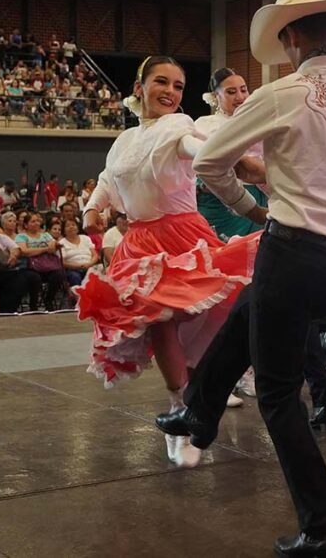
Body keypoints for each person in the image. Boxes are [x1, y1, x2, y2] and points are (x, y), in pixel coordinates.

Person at [155, 0, 326, 556]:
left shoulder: (284, 94)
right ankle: (199, 411)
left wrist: (250, 203)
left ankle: (325, 523)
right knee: (250, 305)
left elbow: (210, 161)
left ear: (290, 37)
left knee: (280, 395)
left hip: (296, 246)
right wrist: (276, 175)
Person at [76, 55, 259, 468]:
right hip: (139, 242)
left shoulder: (179, 127)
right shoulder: (124, 140)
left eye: (178, 86)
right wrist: (91, 210)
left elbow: (197, 149)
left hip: (183, 234)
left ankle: (198, 400)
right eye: (161, 82)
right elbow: (108, 179)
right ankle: (181, 407)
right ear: (139, 86)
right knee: (160, 322)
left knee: (210, 315)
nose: (171, 92)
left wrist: (230, 159)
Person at [195, 67, 269, 241]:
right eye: (231, 92)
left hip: (258, 195)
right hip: (219, 199)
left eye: (243, 90)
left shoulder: (260, 123)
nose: (240, 97)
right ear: (215, 96)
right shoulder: (203, 126)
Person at [58, 218, 99, 287]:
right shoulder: (61, 243)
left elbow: (95, 255)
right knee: (75, 277)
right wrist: (78, 266)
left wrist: (89, 264)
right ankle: (78, 296)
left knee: (93, 275)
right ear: (64, 231)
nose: (71, 227)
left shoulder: (86, 238)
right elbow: (62, 262)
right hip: (72, 269)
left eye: (73, 225)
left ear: (78, 228)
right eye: (67, 226)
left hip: (89, 266)